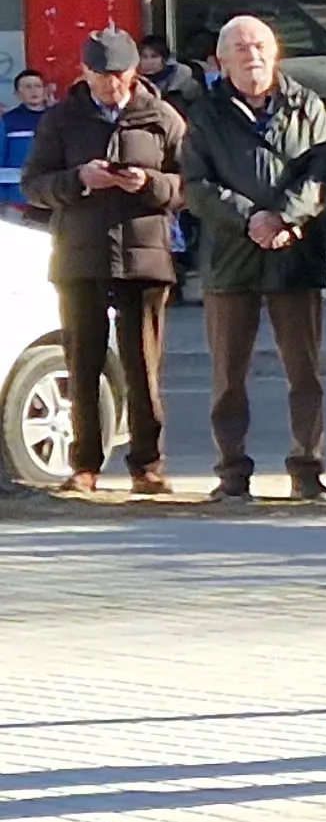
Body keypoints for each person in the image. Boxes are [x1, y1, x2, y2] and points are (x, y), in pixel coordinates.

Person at [183, 15, 326, 504]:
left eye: (260, 46)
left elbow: (324, 170)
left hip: (295, 255)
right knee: (228, 377)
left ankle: (307, 471)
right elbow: (195, 186)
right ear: (221, 60)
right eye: (240, 48)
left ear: (276, 54)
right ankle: (232, 474)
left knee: (305, 374)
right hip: (231, 259)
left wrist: (287, 217)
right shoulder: (205, 114)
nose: (252, 55)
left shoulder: (307, 104)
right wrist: (250, 217)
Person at [25, 29, 184, 493]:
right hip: (80, 254)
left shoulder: (162, 117)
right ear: (85, 73)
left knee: (142, 364)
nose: (110, 87)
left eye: (118, 77)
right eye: (100, 77)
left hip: (145, 257)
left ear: (135, 72)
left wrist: (150, 184)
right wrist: (79, 179)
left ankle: (147, 465)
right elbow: (34, 183)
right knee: (84, 362)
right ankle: (85, 465)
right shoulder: (62, 120)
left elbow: (189, 185)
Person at [1, 68, 48, 214]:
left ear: (45, 90)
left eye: (38, 86)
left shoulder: (57, 119)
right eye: (27, 87)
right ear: (17, 94)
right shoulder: (7, 121)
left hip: (50, 197)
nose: (33, 91)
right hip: (16, 200)